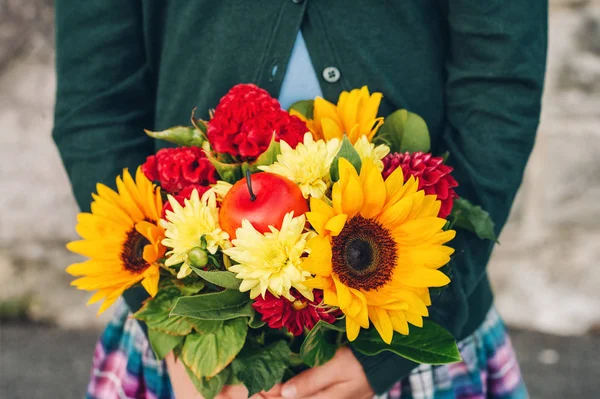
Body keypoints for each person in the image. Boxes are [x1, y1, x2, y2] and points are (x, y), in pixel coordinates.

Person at [53, 1, 547, 398]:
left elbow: (499, 86)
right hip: (187, 352)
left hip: (412, 326)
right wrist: (182, 337)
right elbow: (95, 103)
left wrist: (416, 327)